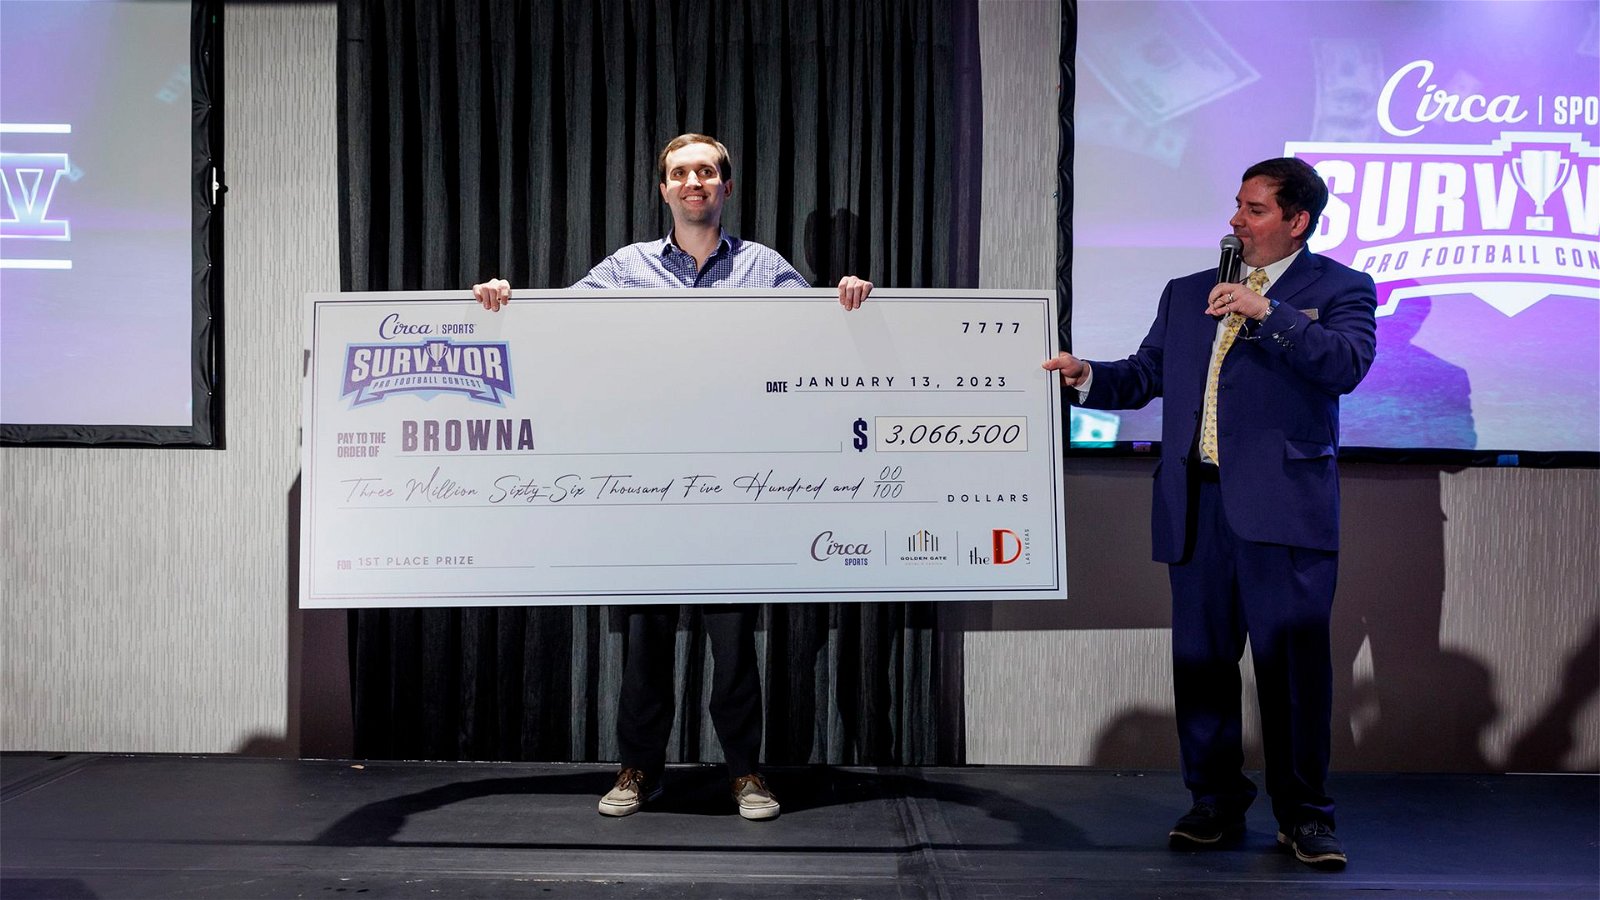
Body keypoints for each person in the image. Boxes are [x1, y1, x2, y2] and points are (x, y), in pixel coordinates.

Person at [473, 133, 872, 821]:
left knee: (734, 648)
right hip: (646, 490)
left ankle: (745, 773)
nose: (695, 181)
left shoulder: (763, 268)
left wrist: (846, 299)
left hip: (734, 490)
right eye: (681, 172)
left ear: (726, 187)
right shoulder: (626, 268)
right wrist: (504, 299)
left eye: (707, 172)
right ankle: (638, 770)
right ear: (664, 189)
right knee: (645, 646)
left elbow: (818, 343)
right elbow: (554, 325)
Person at [1044, 158, 1376, 870]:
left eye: (1255, 210)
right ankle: (1214, 801)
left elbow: (1345, 365)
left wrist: (1268, 312)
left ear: (1297, 222)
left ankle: (1305, 815)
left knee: (1292, 673)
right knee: (1201, 665)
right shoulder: (1189, 291)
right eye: (1237, 206)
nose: (1236, 221)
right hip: (1198, 504)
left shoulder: (1339, 288)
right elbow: (1147, 373)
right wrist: (1087, 376)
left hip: (1285, 512)